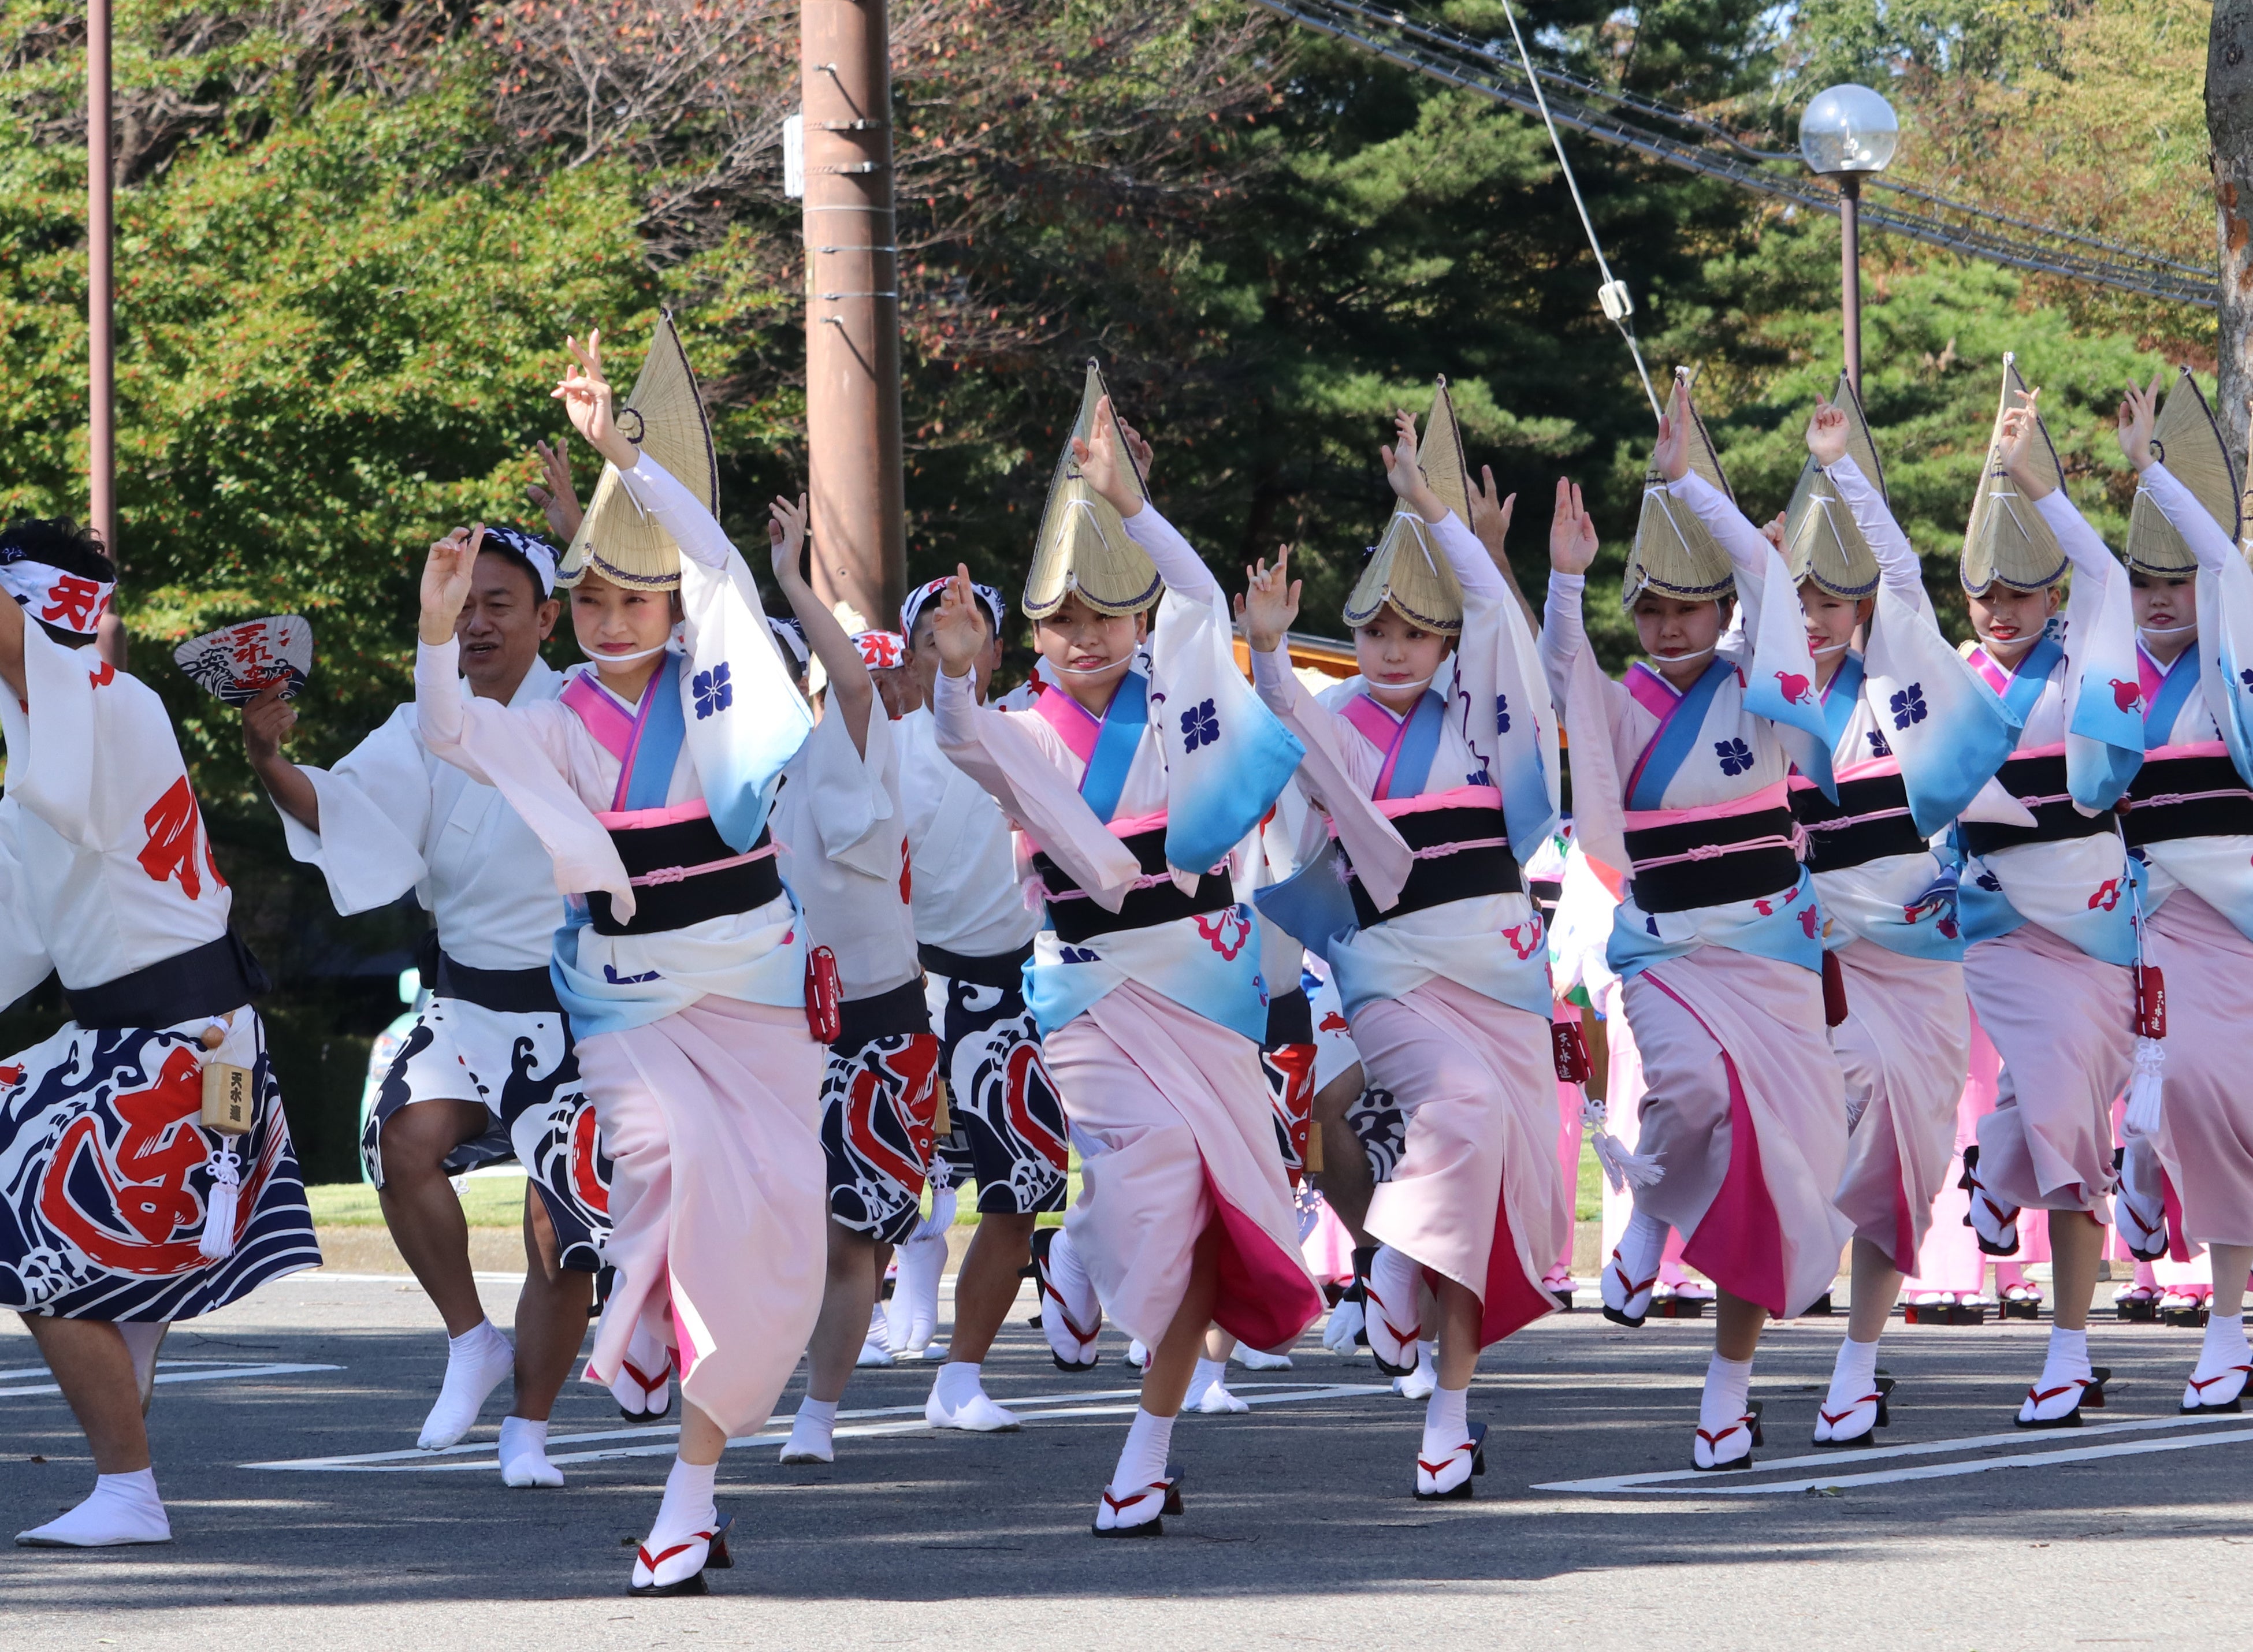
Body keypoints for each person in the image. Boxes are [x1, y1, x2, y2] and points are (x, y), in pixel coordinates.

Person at [414, 326, 819, 1594]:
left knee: (764, 1226)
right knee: (665, 1158)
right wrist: (436, 632)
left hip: (752, 984)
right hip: (627, 997)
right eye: (586, 597)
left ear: (674, 607)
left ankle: (690, 1488)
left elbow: (716, 564)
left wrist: (622, 459)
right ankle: (643, 1321)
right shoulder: (557, 714)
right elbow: (446, 730)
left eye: (627, 599)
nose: (602, 618)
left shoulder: (723, 682)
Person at [927, 367, 1319, 1535]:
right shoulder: (1013, 724)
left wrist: (1133, 503)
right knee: (1143, 1164)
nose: (1080, 638)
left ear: (1136, 616)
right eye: (1057, 620)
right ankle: (1086, 1253)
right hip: (1088, 988)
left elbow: (1203, 598)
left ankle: (1144, 1454)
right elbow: (959, 738)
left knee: (1209, 1204)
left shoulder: (1184, 692)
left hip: (1204, 971)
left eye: (1102, 615)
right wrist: (956, 666)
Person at [1241, 389, 1567, 1498]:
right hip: (1389, 976)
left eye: (1413, 631)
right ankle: (1387, 1253)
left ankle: (1451, 1409)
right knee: (1460, 1117)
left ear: (1445, 638)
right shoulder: (1331, 720)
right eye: (1374, 629)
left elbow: (1507, 629)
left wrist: (1437, 516)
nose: (1389, 649)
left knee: (1489, 1177)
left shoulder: (1485, 713)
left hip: (1502, 969)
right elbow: (1277, 727)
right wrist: (1272, 651)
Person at [244, 516, 614, 1483]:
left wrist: (587, 533)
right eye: (467, 606)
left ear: (547, 616)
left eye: (502, 605)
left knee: (557, 1224)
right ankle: (469, 1340)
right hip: (468, 998)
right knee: (400, 1141)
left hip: (584, 1007)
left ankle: (529, 1428)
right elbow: (353, 814)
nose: (483, 624)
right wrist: (269, 760)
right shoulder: (423, 717)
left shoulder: (587, 708)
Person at [1541, 373, 1852, 1470]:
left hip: (1771, 950)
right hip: (1668, 951)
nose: (1671, 625)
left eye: (1690, 606)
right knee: (1692, 1092)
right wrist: (1569, 584)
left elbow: (1775, 572)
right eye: (1654, 608)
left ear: (1723, 612)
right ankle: (1646, 1213)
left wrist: (1689, 486)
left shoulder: (1763, 680)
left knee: (1771, 1174)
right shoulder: (1617, 700)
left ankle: (1729, 1391)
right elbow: (1555, 674)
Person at [1, 518, 320, 1546]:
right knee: (98, 1269)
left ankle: (129, 1491)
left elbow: (21, 650)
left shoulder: (105, 704)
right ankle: (124, 1423)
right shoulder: (52, 740)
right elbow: (24, 939)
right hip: (149, 1041)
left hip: (180, 1049)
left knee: (34, 1237)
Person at [1765, 385, 2016, 1445]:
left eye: (1832, 602)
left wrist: (1842, 468)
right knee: (1818, 1121)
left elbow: (1905, 579)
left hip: (1918, 957)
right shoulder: (1768, 695)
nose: (1816, 619)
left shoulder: (1895, 681)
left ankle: (1857, 1365)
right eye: (1800, 601)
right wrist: (1753, 560)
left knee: (1906, 1161)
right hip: (1814, 960)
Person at [1949, 369, 2148, 1427]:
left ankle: (1998, 1158)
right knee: (2074, 1119)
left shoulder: (2087, 655)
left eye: (2022, 593)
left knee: (2073, 1087)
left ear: (2053, 595)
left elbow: (2114, 583)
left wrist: (2047, 487)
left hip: (2103, 917)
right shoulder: (1941, 671)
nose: (2001, 611)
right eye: (1986, 593)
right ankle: (2071, 1348)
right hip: (1997, 922)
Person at [2077, 370, 2253, 1413]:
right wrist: (2051, 489)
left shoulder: (2238, 669)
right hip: (2171, 924)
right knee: (2189, 1089)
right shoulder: (2119, 671)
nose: (2157, 596)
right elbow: (2093, 569)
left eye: (2178, 581)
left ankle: (2148, 1169)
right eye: (2146, 581)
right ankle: (2225, 1325)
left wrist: (2151, 468)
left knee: (2233, 1108)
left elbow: (2229, 559)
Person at [767, 595, 945, 1465]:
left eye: (877, 678)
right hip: (778, 1022)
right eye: (847, 677)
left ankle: (817, 1417)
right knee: (771, 1227)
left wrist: (795, 584)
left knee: (857, 1232)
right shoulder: (761, 773)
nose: (860, 692)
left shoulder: (891, 749)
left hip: (879, 1015)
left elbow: (864, 696)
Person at [896, 576, 1076, 1402]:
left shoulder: (1031, 737)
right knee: (865, 1197)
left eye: (972, 633)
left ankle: (961, 1376)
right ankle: (815, 1410)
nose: (953, 649)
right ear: (910, 653)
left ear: (1000, 651)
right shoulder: (883, 747)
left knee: (1023, 1187)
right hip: (908, 993)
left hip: (1018, 993)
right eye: (935, 636)